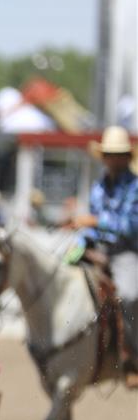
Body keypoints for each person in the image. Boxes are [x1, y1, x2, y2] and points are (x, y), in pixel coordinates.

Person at [67, 125, 138, 384]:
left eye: (117, 154)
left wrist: (95, 222)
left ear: (126, 158)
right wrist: (81, 241)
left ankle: (133, 358)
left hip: (126, 251)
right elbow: (90, 228)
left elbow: (131, 226)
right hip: (98, 248)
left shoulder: (135, 186)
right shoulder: (98, 187)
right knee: (63, 275)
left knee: (129, 295)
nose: (112, 159)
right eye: (108, 154)